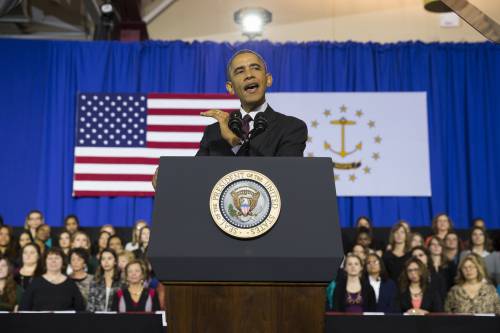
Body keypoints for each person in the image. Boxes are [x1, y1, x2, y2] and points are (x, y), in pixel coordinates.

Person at [152, 50, 308, 188]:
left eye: (255, 68)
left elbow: (286, 179)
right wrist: (169, 181)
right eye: (240, 71)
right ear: (230, 88)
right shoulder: (213, 132)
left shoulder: (292, 127)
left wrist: (234, 142)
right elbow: (196, 179)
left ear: (268, 80)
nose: (249, 75)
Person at [19, 247, 85, 311]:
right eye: (50, 258)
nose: (53, 261)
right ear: (45, 262)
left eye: (57, 258)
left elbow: (80, 310)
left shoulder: (71, 284)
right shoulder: (35, 283)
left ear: (63, 262)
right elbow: (23, 308)